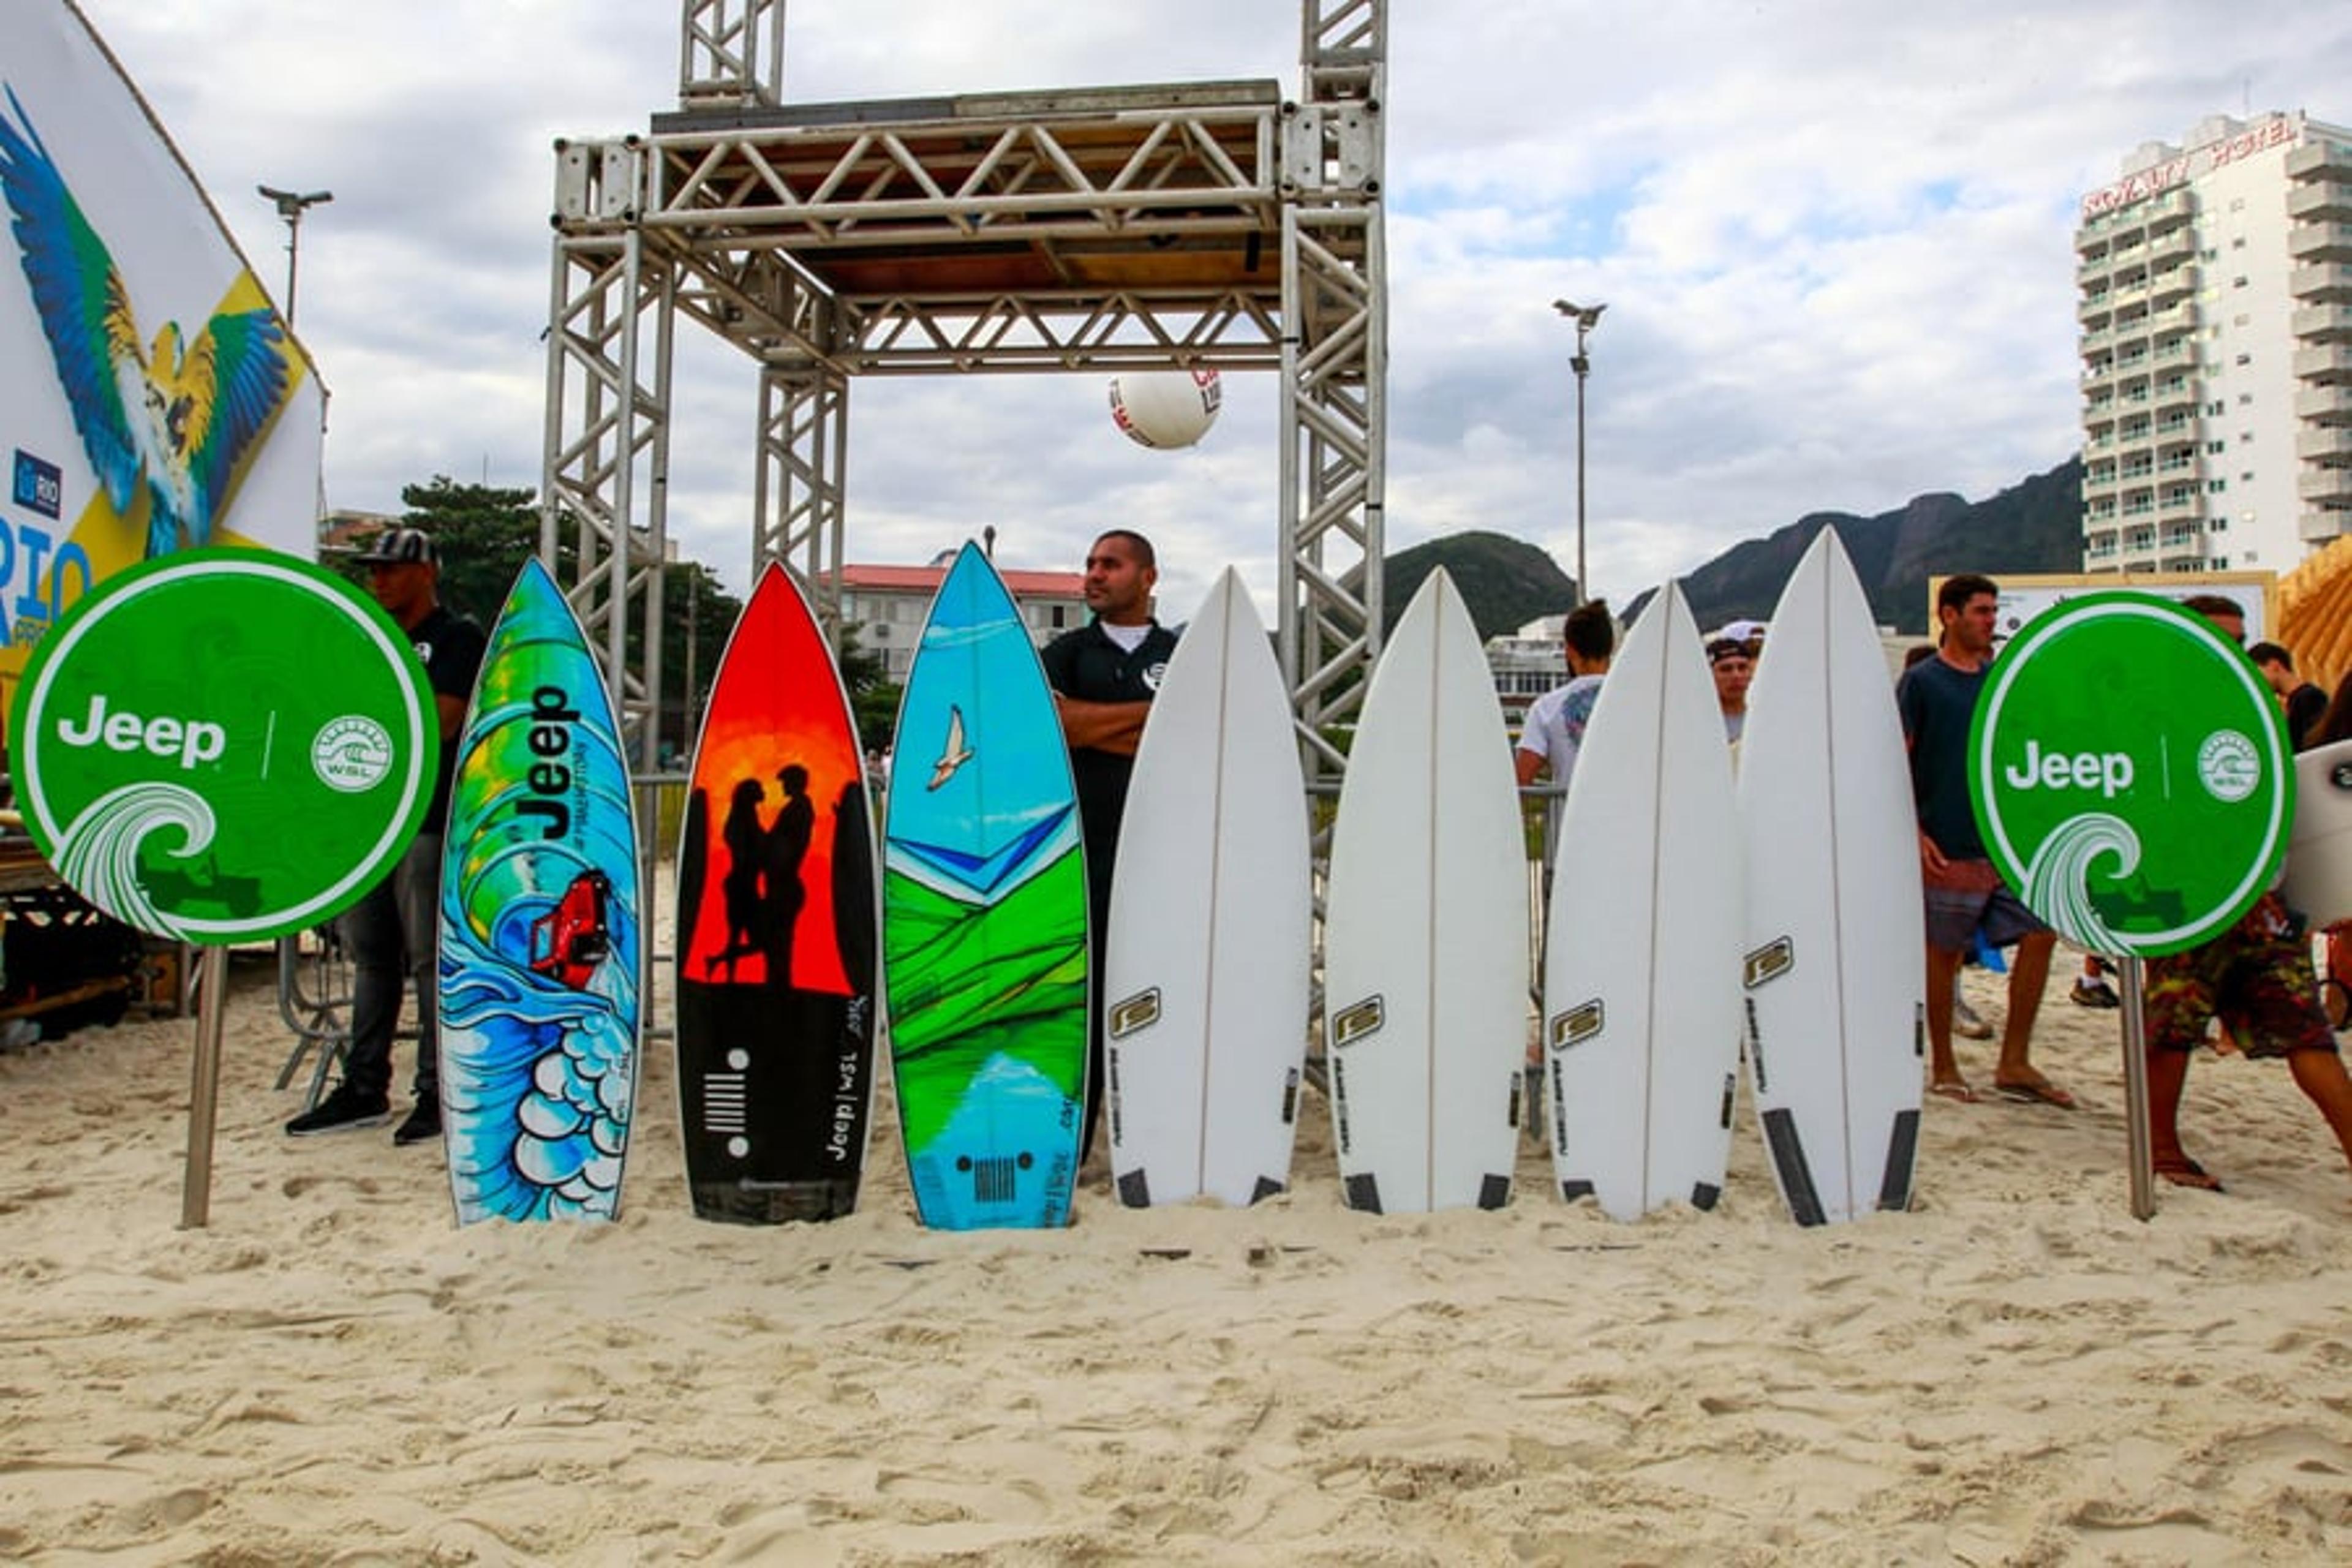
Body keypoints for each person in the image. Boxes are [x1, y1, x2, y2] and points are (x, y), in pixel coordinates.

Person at [2143, 594, 2352, 1191]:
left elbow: (2272, 802)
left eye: (2240, 640)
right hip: (2191, 901)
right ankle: (2162, 1150)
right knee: (2173, 1025)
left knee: (2306, 1031)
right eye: (2221, 638)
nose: (2232, 650)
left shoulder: (2254, 708)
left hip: (2264, 901)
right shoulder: (2161, 713)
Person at [287, 527, 487, 1145]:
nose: (378, 579)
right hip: (365, 821)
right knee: (369, 959)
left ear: (427, 571)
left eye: (391, 569)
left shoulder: (456, 636)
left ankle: (436, 1092)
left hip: (426, 818)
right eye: (372, 569)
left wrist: (369, 716)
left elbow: (442, 723)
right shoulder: (360, 637)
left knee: (429, 961)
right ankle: (363, 1085)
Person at [1894, 572, 2073, 1109]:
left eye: (1994, 612)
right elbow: (1898, 759)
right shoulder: (1922, 682)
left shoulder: (2001, 680)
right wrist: (1916, 832)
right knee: (1942, 954)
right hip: (1948, 839)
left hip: (2002, 843)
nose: (1991, 621)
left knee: (2042, 932)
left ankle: (2014, 1060)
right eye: (1980, 611)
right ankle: (1943, 1063)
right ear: (1949, 616)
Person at [1040, 529, 1178, 1159]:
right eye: (1090, 563)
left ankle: (1152, 1143)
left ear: (1148, 577)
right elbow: (1055, 727)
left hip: (1164, 856)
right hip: (1079, 853)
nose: (1094, 574)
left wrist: (1093, 725)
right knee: (1082, 998)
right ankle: (1074, 1143)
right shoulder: (1064, 652)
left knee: (1157, 993)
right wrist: (1152, 719)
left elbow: (1193, 736)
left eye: (1110, 564)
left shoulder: (1183, 653)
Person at [1513, 599, 1615, 799]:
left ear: (1569, 649)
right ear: (1611, 646)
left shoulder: (1546, 708)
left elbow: (1521, 780)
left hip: (1568, 825)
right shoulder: (1638, 704)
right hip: (1628, 827)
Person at [2247, 640, 2329, 751]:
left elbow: (2313, 744)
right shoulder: (2296, 701)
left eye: (2256, 673)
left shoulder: (2310, 698)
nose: (2255, 681)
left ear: (2274, 666)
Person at [1705, 629, 1757, 743]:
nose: (1736, 676)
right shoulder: (1702, 723)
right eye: (1726, 669)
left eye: (1742, 667)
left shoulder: (1762, 718)